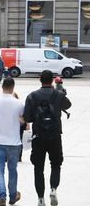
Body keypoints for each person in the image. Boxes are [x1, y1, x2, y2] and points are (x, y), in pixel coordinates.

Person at [23, 70, 71, 206]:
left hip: (38, 137)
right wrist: (61, 92)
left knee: (38, 168)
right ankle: (53, 189)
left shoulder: (32, 96)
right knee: (56, 164)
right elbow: (68, 105)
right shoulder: (58, 94)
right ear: (52, 80)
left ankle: (40, 199)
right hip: (55, 136)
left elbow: (27, 117)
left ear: (40, 80)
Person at [0, 78, 24, 206]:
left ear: (2, 87)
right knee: (12, 170)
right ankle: (13, 196)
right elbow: (24, 121)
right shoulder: (19, 104)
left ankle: (2, 196)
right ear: (13, 87)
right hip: (14, 143)